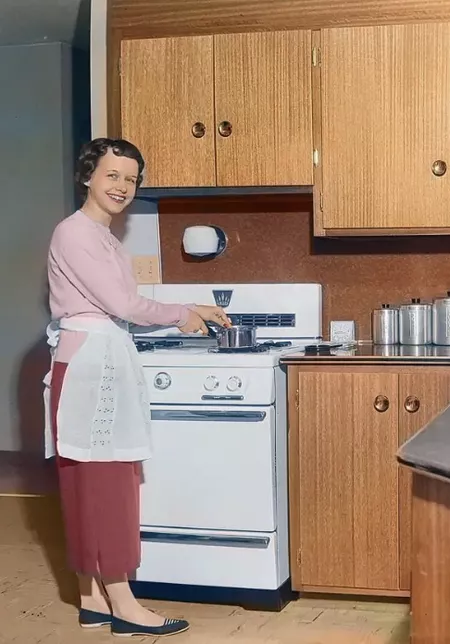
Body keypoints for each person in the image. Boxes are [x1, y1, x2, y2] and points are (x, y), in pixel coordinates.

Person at [43, 138, 231, 637]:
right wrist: (182, 314)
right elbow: (124, 305)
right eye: (112, 175)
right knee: (103, 486)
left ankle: (91, 599)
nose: (122, 187)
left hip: (92, 363)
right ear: (88, 176)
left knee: (92, 482)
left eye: (130, 179)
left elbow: (123, 303)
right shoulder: (76, 233)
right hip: (90, 368)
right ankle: (124, 605)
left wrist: (190, 311)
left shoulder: (102, 237)